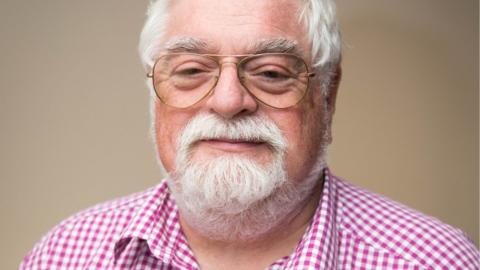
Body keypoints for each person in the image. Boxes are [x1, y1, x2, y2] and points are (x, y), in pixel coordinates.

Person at [20, 0, 479, 269]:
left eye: (272, 72)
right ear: (153, 92)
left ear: (328, 95)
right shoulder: (65, 254)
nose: (227, 100)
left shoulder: (434, 261)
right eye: (192, 70)